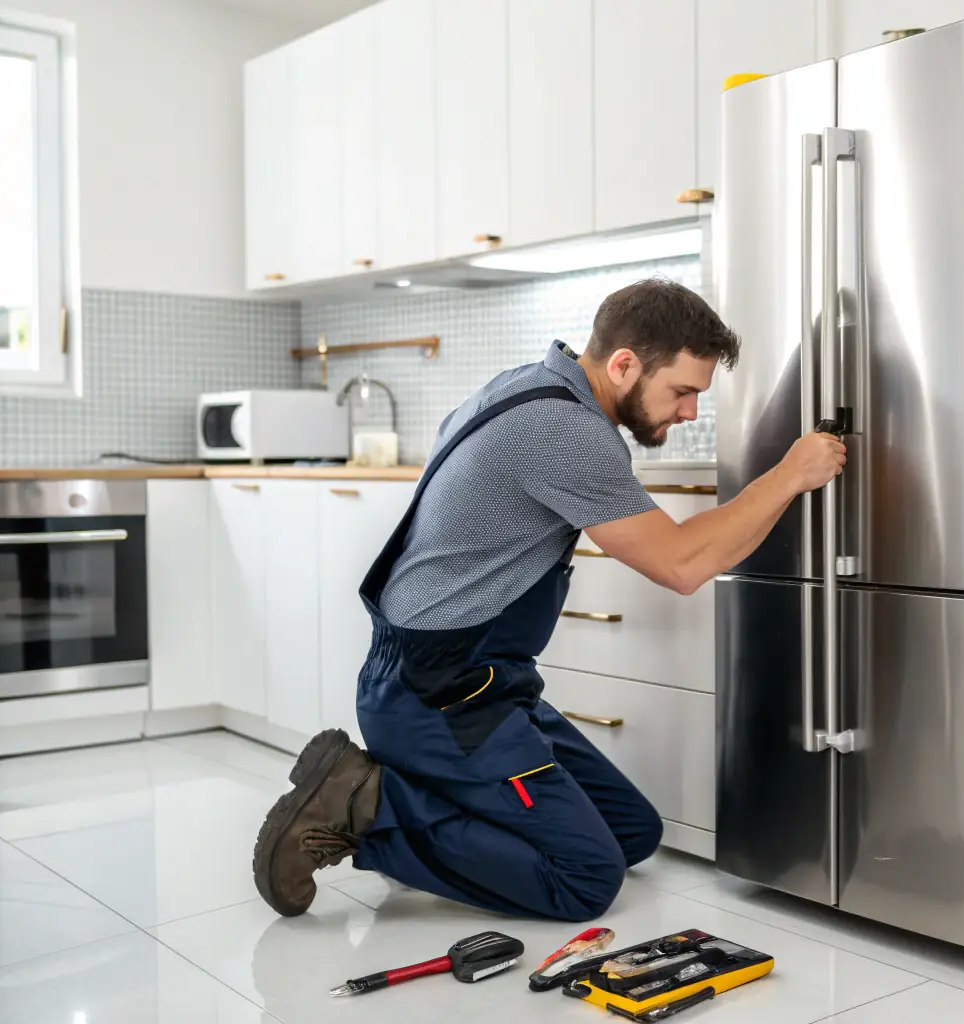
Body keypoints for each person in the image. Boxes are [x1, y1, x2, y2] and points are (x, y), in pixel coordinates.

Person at [251, 278, 846, 922]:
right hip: (439, 698)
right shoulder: (563, 430)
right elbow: (682, 564)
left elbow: (700, 553)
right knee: (586, 877)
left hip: (476, 684)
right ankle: (366, 808)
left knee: (632, 833)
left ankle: (424, 795)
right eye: (682, 391)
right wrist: (790, 474)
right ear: (624, 365)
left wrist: (787, 483)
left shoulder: (527, 387)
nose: (689, 412)